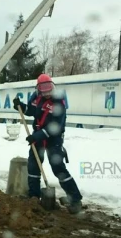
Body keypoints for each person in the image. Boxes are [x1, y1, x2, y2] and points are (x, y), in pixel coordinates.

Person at [13, 73, 83, 214]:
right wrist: (20, 106)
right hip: (38, 134)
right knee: (34, 164)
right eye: (43, 91)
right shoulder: (36, 97)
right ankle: (34, 195)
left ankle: (75, 199)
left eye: (49, 90)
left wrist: (36, 137)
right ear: (39, 89)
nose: (46, 94)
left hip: (54, 138)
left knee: (57, 166)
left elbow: (54, 127)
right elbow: (32, 111)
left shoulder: (59, 103)